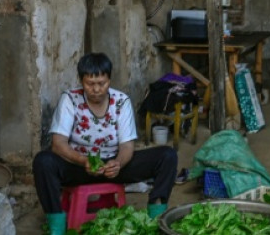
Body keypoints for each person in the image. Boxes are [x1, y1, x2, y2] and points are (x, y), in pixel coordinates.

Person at [32, 52, 177, 235]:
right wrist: (84, 161)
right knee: (43, 161)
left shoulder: (121, 101)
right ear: (81, 81)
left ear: (109, 79)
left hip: (114, 167)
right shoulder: (70, 99)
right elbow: (58, 143)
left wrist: (118, 163)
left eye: (102, 83)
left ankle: (156, 218)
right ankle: (57, 226)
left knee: (167, 156)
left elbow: (126, 146)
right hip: (79, 166)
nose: (96, 89)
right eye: (90, 84)